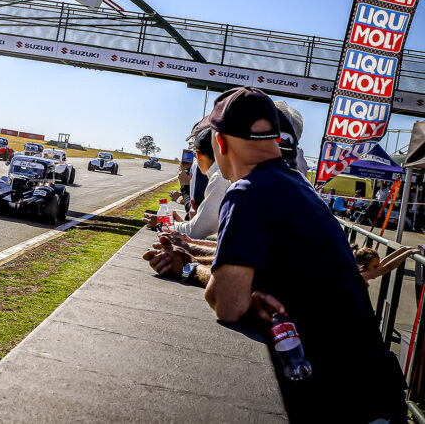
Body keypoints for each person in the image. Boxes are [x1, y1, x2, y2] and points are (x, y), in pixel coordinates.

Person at [145, 86, 405, 422]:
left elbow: (228, 304)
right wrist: (196, 264)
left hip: (344, 401)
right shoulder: (298, 185)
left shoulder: (247, 191)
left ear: (220, 143)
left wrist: (190, 270)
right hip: (373, 392)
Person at [145, 123, 229, 240]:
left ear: (198, 154)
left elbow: (197, 232)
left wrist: (163, 224)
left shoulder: (219, 177)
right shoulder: (222, 175)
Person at [355, 244, 422, 283]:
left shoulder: (361, 270)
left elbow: (383, 262)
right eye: (375, 266)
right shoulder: (362, 276)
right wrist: (408, 253)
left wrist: (403, 249)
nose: (378, 267)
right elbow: (387, 267)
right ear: (363, 265)